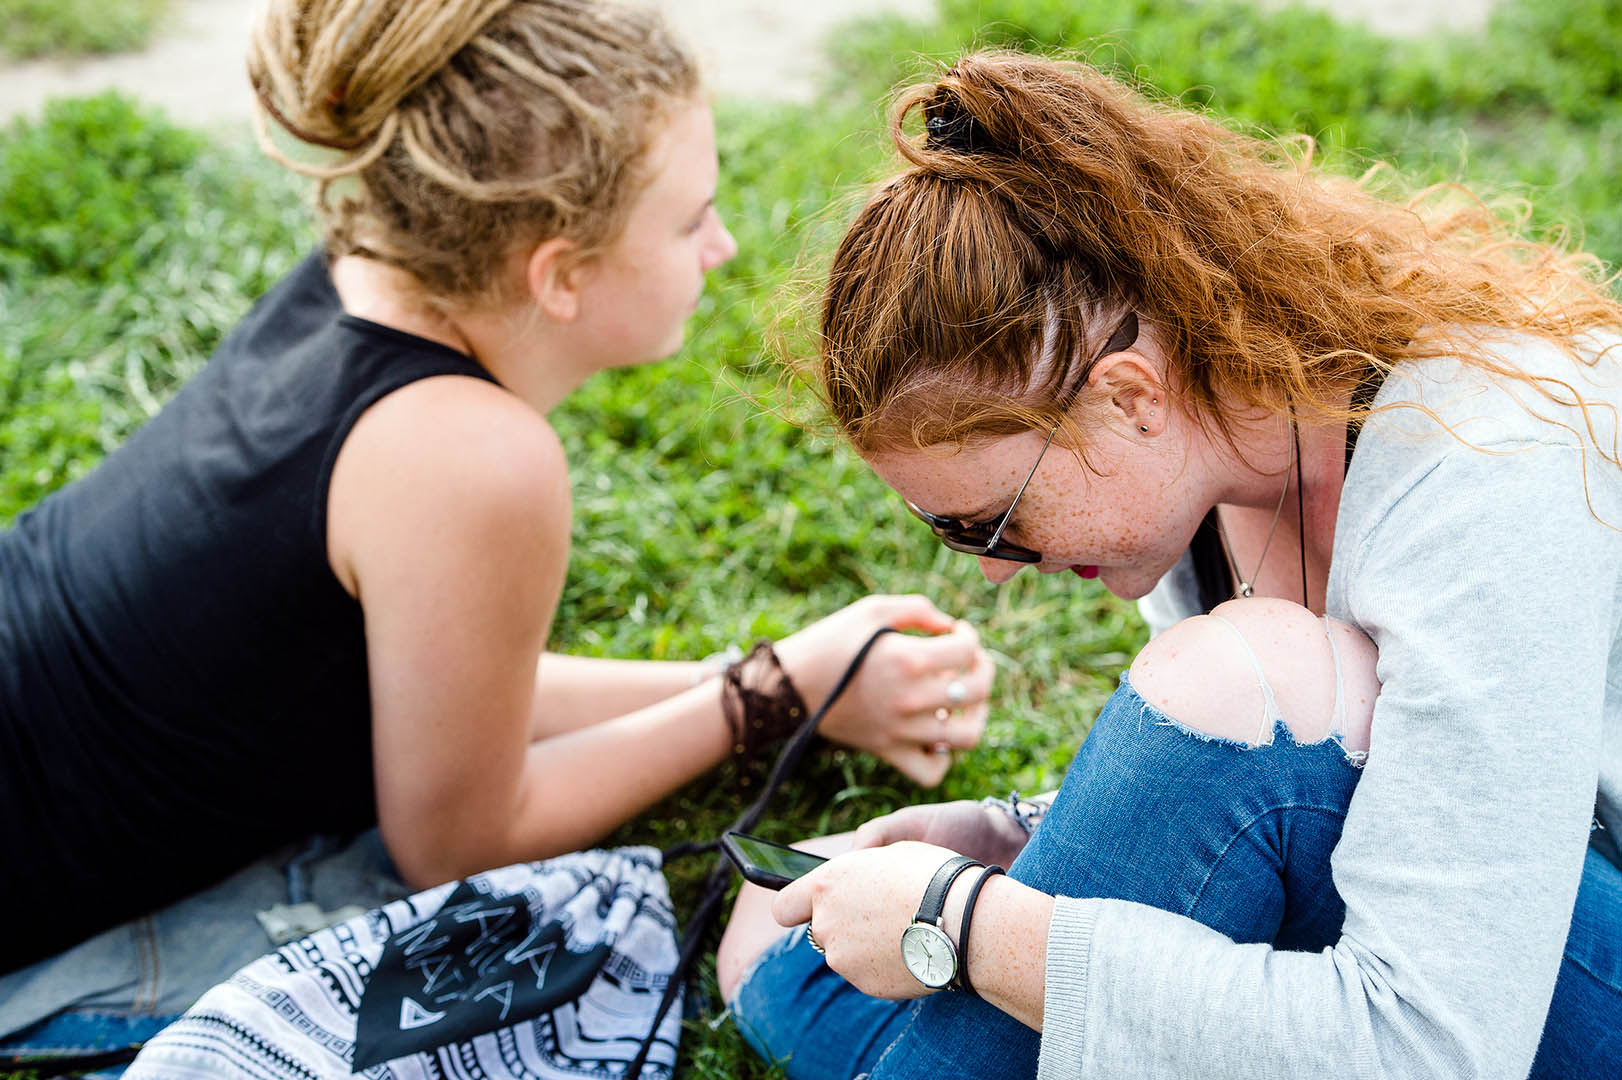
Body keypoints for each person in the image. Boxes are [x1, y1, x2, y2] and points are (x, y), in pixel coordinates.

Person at [0, 0, 994, 1057]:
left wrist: (790, 676)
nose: (722, 244)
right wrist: (771, 695)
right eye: (687, 218)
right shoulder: (473, 460)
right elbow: (458, 838)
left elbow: (453, 691)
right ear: (558, 273)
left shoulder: (356, 284)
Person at [718, 51, 1622, 1080]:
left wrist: (961, 927)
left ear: (1129, 398)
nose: (995, 572)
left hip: (1535, 970)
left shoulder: (1480, 463)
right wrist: (1014, 838)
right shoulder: (1203, 482)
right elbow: (1348, 806)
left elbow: (1431, 1047)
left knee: (1247, 677)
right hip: (1461, 913)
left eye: (988, 521)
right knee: (778, 953)